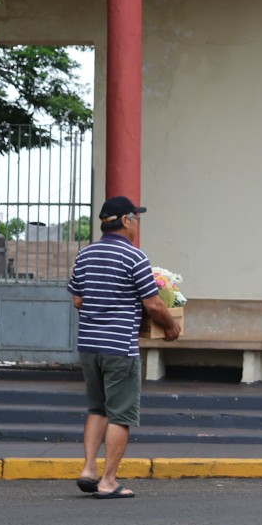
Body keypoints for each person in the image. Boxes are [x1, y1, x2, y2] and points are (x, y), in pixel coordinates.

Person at [67, 195, 182, 499]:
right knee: (120, 414)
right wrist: (171, 326)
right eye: (136, 219)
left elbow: (78, 300)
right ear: (126, 221)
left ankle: (89, 470)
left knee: (97, 408)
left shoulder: (85, 255)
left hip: (89, 345)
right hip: (119, 346)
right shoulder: (134, 257)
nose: (137, 224)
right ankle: (108, 482)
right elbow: (153, 303)